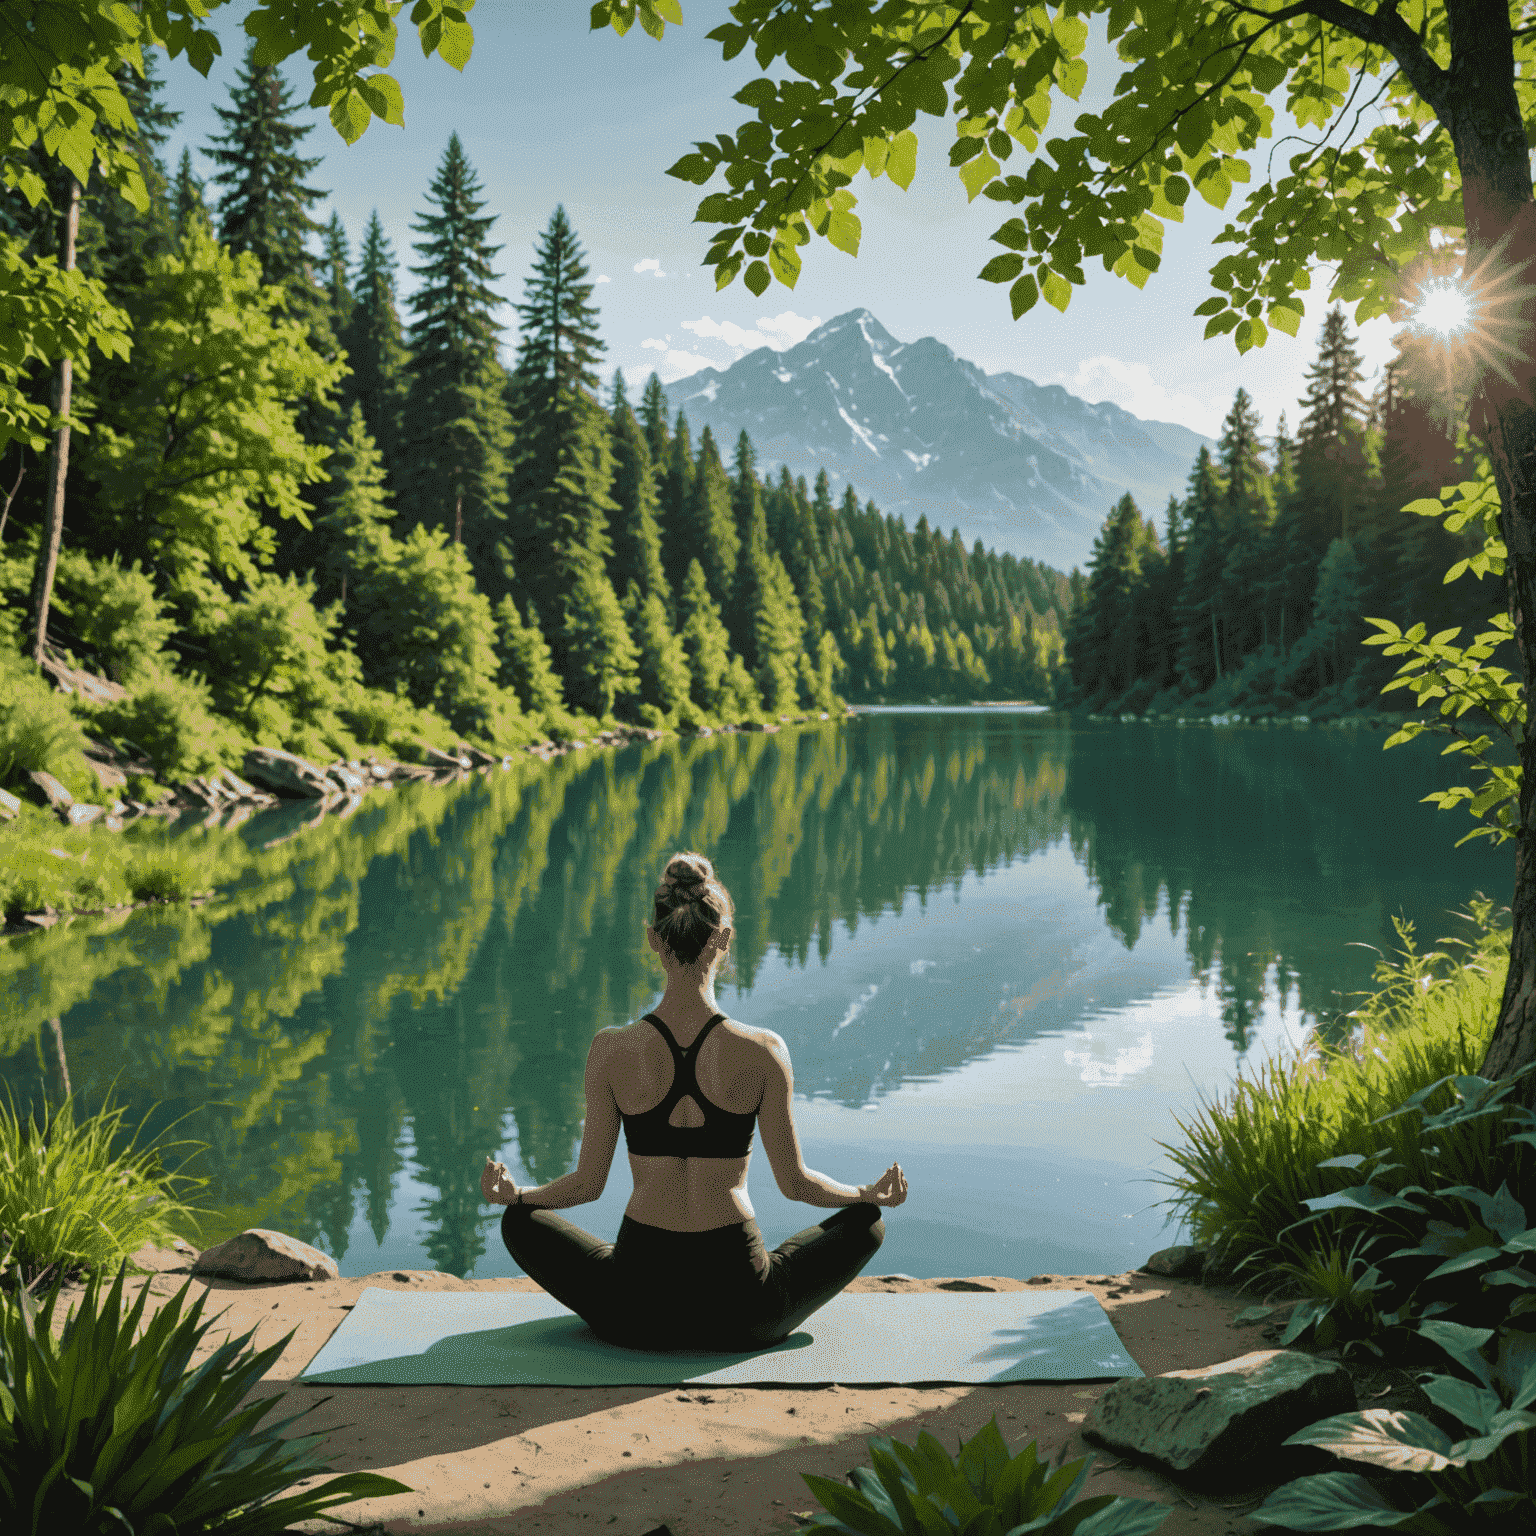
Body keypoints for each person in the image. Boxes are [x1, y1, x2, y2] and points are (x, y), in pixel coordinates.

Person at [482, 850, 907, 1352]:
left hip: (634, 1312)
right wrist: (864, 1195)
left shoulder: (611, 1049)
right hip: (743, 1313)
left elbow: (586, 1186)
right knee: (866, 1226)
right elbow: (796, 1184)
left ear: (652, 939)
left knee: (519, 1223)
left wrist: (520, 1196)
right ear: (724, 940)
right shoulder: (763, 1052)